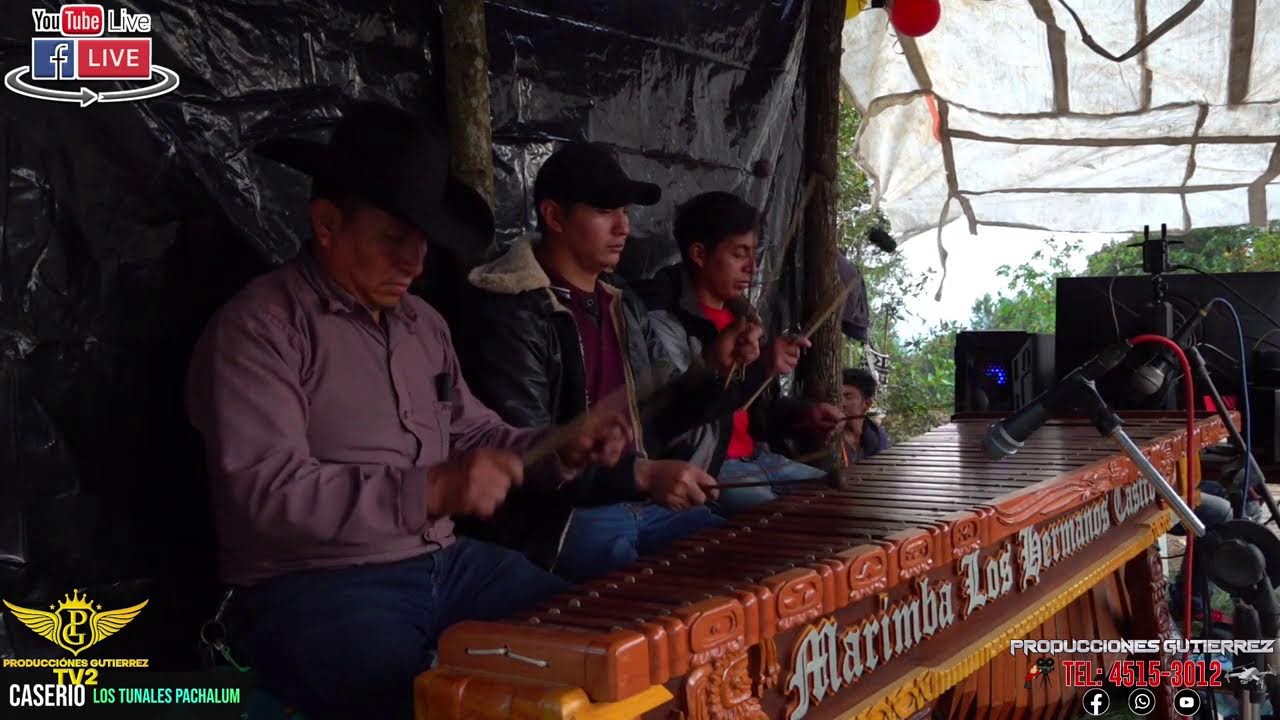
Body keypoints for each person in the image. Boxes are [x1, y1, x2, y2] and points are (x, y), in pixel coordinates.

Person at [184, 102, 632, 720]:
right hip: (315, 583)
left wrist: (556, 447)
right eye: (394, 240)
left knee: (598, 642)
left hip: (447, 565)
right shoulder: (261, 328)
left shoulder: (424, 325)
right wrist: (429, 490)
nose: (415, 264)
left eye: (423, 244)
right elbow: (264, 494)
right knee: (414, 701)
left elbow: (472, 428)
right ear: (326, 223)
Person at [456, 142, 764, 583]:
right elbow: (527, 458)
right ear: (554, 216)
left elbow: (659, 419)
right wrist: (640, 474)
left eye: (625, 211)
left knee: (748, 567)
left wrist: (712, 367)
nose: (623, 226)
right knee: (660, 600)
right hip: (559, 522)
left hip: (636, 503)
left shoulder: (623, 303)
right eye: (605, 211)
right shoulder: (509, 310)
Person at [636, 190, 845, 515]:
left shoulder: (744, 315)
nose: (752, 266)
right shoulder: (661, 316)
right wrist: (761, 366)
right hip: (708, 469)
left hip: (759, 457)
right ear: (699, 254)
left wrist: (804, 416)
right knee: (783, 524)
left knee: (839, 505)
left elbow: (756, 407)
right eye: (739, 253)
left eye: (754, 253)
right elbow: (675, 414)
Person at [840, 367, 892, 464]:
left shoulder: (878, 435)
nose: (841, 403)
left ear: (867, 404)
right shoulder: (830, 436)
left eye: (848, 397)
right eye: (838, 396)